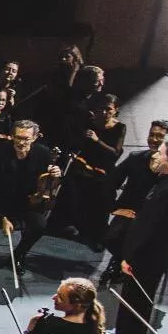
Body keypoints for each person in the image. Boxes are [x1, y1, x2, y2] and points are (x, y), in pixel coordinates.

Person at [103, 138, 168, 334]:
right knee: (130, 298)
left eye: (161, 153)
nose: (155, 156)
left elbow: (148, 228)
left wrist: (128, 257)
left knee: (138, 303)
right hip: (149, 256)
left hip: (147, 258)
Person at [0, 120, 60, 269]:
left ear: (34, 138)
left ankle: (19, 255)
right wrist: (3, 216)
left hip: (27, 202)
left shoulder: (43, 153)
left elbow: (48, 182)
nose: (21, 142)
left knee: (39, 225)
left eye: (26, 139)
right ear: (12, 136)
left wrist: (56, 174)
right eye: (18, 137)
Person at [99, 118, 168, 284]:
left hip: (154, 217)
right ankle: (120, 260)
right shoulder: (135, 158)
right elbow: (111, 182)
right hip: (129, 211)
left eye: (159, 136)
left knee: (140, 241)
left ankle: (123, 265)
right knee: (111, 237)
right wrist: (114, 207)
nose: (154, 139)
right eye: (151, 134)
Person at [50, 92, 124, 245]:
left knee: (101, 194)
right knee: (71, 185)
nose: (104, 112)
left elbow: (115, 153)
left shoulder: (119, 127)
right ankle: (65, 224)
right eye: (101, 108)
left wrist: (97, 140)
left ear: (115, 110)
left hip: (103, 166)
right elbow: (77, 144)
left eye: (109, 109)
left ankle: (93, 233)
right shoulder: (89, 122)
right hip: (84, 163)